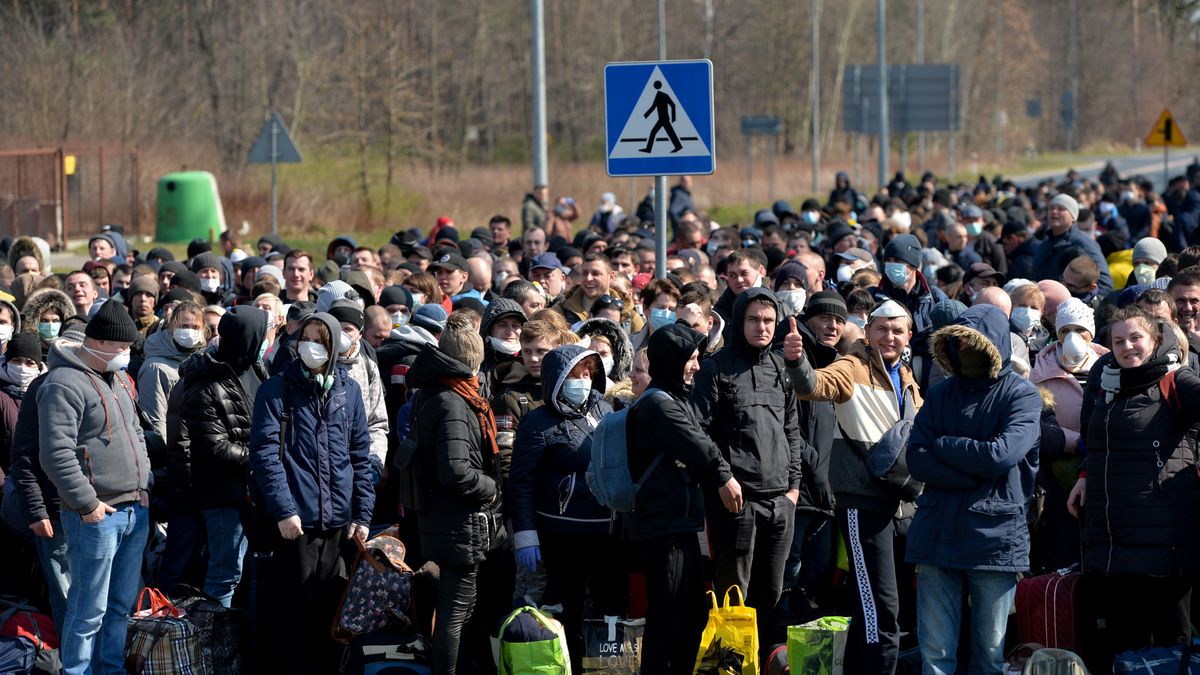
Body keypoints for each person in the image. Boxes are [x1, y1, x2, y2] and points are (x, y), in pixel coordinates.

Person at [784, 299, 923, 675]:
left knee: (883, 607)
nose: (889, 337)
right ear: (867, 332)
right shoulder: (852, 365)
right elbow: (814, 385)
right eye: (881, 328)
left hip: (902, 506)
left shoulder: (908, 377)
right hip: (864, 504)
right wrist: (797, 363)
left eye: (897, 330)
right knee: (879, 605)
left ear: (908, 336)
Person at [906, 304, 1041, 674]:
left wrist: (946, 445)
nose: (964, 348)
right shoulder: (940, 393)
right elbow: (916, 458)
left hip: (993, 538)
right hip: (937, 533)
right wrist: (970, 475)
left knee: (990, 657)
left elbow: (1001, 456)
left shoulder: (1022, 395)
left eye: (973, 341)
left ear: (993, 345)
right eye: (958, 341)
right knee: (934, 656)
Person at [1066, 307, 1200, 671]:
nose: (1128, 347)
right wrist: (1084, 476)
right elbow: (1097, 444)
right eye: (1118, 341)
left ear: (1155, 340)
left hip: (1165, 543)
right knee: (1126, 645)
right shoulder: (1108, 383)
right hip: (1114, 541)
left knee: (1172, 646)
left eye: (1136, 338)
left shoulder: (1177, 381)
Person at [250, 311, 374, 674]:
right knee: (293, 615)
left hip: (338, 524)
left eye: (321, 341)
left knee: (331, 611)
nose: (312, 347)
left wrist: (363, 514)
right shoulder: (278, 389)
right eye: (307, 338)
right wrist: (284, 510)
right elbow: (265, 454)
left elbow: (359, 456)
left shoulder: (347, 390)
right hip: (296, 524)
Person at [38, 300, 150, 675]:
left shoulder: (117, 377)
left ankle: (110, 669)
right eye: (122, 348)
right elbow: (55, 453)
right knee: (88, 609)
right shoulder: (62, 383)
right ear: (98, 343)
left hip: (134, 509)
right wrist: (88, 504)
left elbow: (136, 432)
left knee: (119, 606)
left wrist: (144, 485)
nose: (127, 355)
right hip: (96, 517)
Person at [630, 323, 739, 675]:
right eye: (690, 359)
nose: (696, 365)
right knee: (668, 616)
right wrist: (725, 476)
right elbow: (701, 447)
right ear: (670, 360)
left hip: (681, 523)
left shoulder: (676, 398)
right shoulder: (659, 405)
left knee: (692, 614)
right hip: (663, 527)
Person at [691, 288, 805, 622]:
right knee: (733, 597)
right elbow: (700, 433)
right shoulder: (715, 368)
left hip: (781, 501)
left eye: (769, 320)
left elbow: (792, 430)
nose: (762, 327)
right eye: (753, 319)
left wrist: (793, 490)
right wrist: (722, 479)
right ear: (740, 321)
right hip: (735, 502)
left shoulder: (781, 367)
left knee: (770, 593)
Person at [510, 344, 625, 670]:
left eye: (588, 374)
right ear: (556, 380)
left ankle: (607, 667)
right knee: (567, 610)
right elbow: (521, 482)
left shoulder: (604, 411)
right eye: (575, 375)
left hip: (607, 531)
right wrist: (526, 534)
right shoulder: (538, 422)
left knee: (609, 609)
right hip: (562, 535)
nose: (583, 381)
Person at [405, 312, 505, 674]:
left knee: (460, 607)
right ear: (475, 359)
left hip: (445, 519)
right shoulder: (453, 401)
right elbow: (457, 472)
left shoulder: (438, 391)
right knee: (454, 611)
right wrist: (493, 487)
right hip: (457, 521)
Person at [165, 306, 268, 607]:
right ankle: (213, 640)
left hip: (253, 489)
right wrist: (260, 457)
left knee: (249, 570)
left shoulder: (255, 368)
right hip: (223, 494)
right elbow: (215, 445)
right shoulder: (204, 385)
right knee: (225, 572)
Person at [781, 292, 845, 614]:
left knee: (816, 575)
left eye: (839, 320)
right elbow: (786, 424)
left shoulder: (837, 364)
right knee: (788, 573)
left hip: (825, 494)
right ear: (808, 320)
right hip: (798, 490)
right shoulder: (792, 360)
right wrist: (816, 469)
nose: (832, 325)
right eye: (824, 318)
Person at [137, 300, 207, 439]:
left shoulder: (202, 360)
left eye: (195, 327)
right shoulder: (155, 368)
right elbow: (155, 421)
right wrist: (164, 455)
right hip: (173, 449)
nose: (190, 332)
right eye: (184, 326)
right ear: (172, 327)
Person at [1031, 194, 1114, 295]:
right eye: (1051, 208)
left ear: (1073, 217)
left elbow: (1105, 284)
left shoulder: (1083, 243)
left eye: (1061, 209)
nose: (1054, 211)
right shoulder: (1044, 245)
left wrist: (1081, 302)